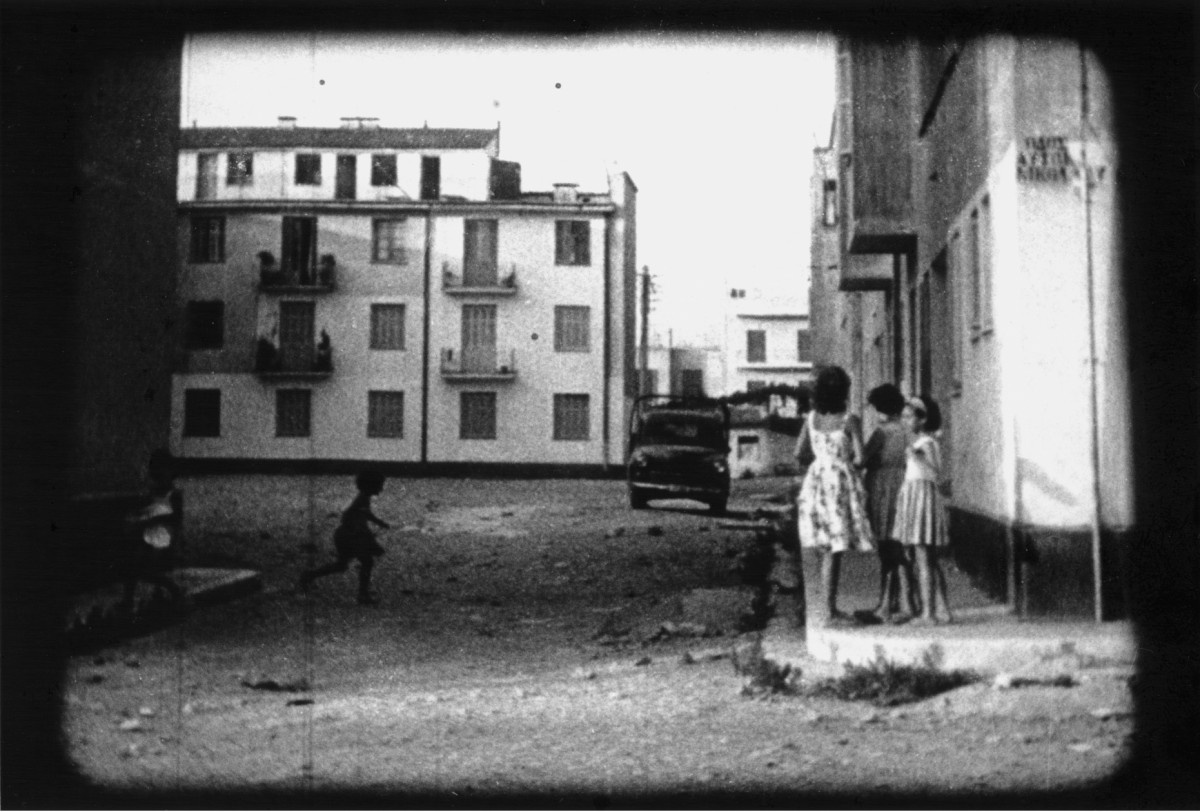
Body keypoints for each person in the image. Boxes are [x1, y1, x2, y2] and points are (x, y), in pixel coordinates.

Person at [795, 366, 875, 626]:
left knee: (823, 545)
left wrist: (820, 460)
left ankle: (827, 607)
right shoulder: (850, 420)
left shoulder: (811, 419)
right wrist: (844, 461)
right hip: (839, 482)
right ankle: (829, 611)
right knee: (835, 547)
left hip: (817, 481)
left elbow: (799, 453)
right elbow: (861, 458)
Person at [893, 395, 953, 625]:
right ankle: (943, 610)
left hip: (922, 498)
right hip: (915, 497)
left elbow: (937, 471)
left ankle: (929, 614)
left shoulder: (927, 443)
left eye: (909, 417)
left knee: (923, 557)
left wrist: (918, 457)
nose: (905, 421)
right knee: (928, 559)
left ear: (923, 419)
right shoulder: (920, 442)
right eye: (903, 416)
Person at [862, 383, 920, 622]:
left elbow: (862, 459)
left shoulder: (881, 432)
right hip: (904, 485)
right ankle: (902, 601)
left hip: (882, 488)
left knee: (887, 547)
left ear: (880, 408)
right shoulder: (907, 430)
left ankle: (889, 604)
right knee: (901, 544)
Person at [300, 471, 392, 605]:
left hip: (345, 535)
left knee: (341, 565)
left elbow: (364, 514)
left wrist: (378, 523)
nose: (381, 489)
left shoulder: (363, 498)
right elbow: (351, 516)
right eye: (380, 485)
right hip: (349, 536)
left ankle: (309, 575)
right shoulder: (362, 499)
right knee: (366, 562)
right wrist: (367, 528)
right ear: (371, 486)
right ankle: (363, 595)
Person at [119, 449, 187, 611]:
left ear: (171, 472)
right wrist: (137, 516)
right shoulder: (152, 493)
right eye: (157, 471)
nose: (160, 476)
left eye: (164, 470)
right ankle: (128, 600)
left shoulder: (174, 495)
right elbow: (146, 510)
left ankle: (173, 589)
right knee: (133, 565)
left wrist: (153, 520)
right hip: (147, 534)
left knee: (142, 567)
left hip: (163, 537)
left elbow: (176, 518)